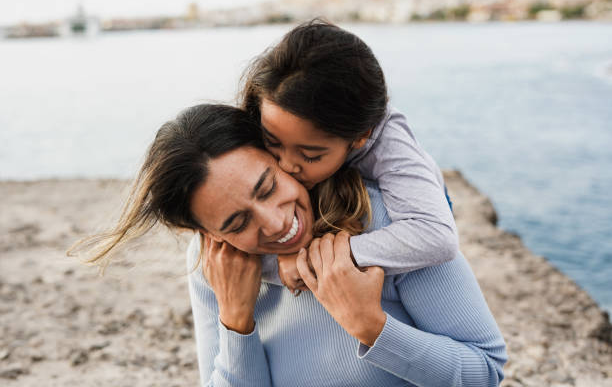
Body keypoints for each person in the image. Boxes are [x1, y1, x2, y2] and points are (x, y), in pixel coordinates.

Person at [72, 104, 506, 386]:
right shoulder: (215, 266)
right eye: (237, 222)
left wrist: (371, 327)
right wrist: (237, 321)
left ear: (278, 153)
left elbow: (486, 370)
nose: (278, 222)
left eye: (267, 186)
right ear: (210, 234)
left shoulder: (390, 224)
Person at [241, 19, 458, 292]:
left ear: (361, 136)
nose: (285, 165)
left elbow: (437, 236)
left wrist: (308, 259)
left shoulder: (389, 140)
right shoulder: (271, 107)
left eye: (309, 155)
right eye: (272, 142)